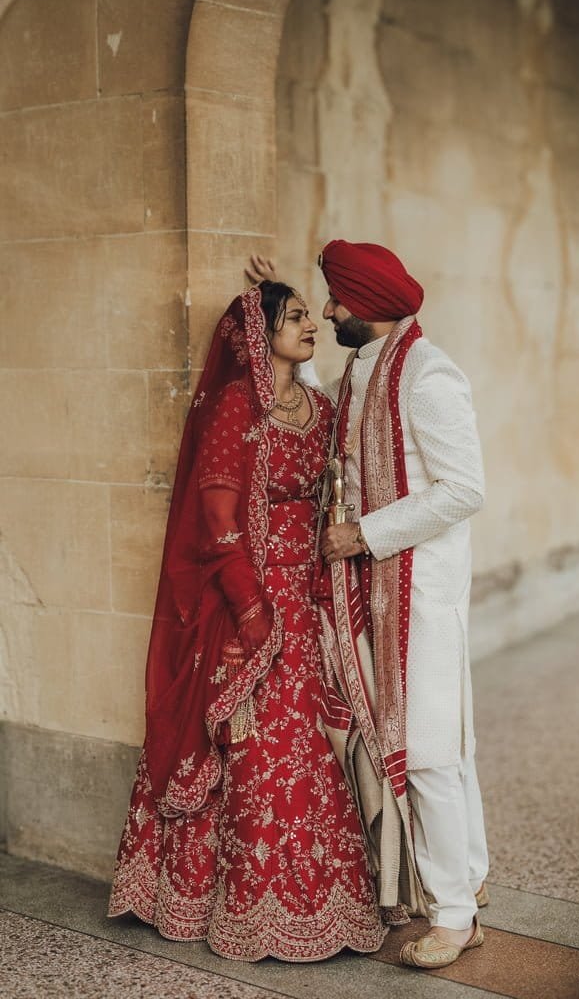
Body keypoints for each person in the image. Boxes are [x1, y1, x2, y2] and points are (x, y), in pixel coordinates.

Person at [108, 282, 386, 962]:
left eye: (306, 315)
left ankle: (322, 901)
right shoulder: (239, 408)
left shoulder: (316, 409)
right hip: (248, 608)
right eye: (293, 317)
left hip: (308, 593)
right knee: (260, 748)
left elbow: (332, 498)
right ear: (262, 336)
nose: (308, 324)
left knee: (315, 742)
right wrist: (254, 612)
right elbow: (218, 522)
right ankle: (244, 907)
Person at [248, 245, 489, 971]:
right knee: (429, 750)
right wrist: (273, 301)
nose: (327, 312)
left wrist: (363, 534)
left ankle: (452, 916)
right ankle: (463, 895)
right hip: (378, 589)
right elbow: (337, 419)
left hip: (417, 592)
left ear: (369, 304)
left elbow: (465, 489)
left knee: (431, 756)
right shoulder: (367, 367)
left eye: (334, 302)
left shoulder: (428, 376)